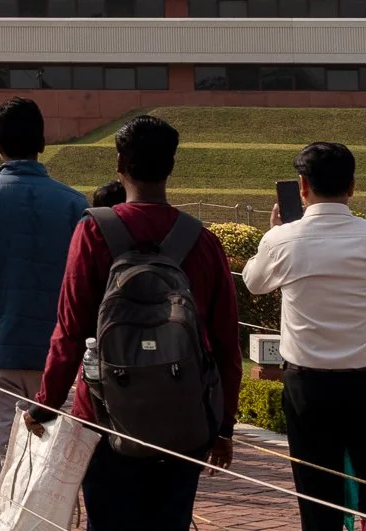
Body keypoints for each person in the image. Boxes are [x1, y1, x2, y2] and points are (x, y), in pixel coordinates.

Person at [31, 115, 239, 531]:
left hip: (107, 416)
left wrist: (46, 404)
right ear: (171, 167)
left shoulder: (93, 231)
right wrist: (223, 426)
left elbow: (70, 331)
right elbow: (225, 341)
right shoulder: (200, 239)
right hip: (184, 415)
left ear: (119, 165)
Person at [243, 140, 366, 531]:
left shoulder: (282, 239)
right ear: (352, 187)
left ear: (302, 186)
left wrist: (273, 236)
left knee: (318, 498)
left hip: (309, 387)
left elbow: (253, 283)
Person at [0, 96, 88, 469]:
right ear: (42, 143)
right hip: (57, 356)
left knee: (11, 468)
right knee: (50, 471)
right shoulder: (74, 204)